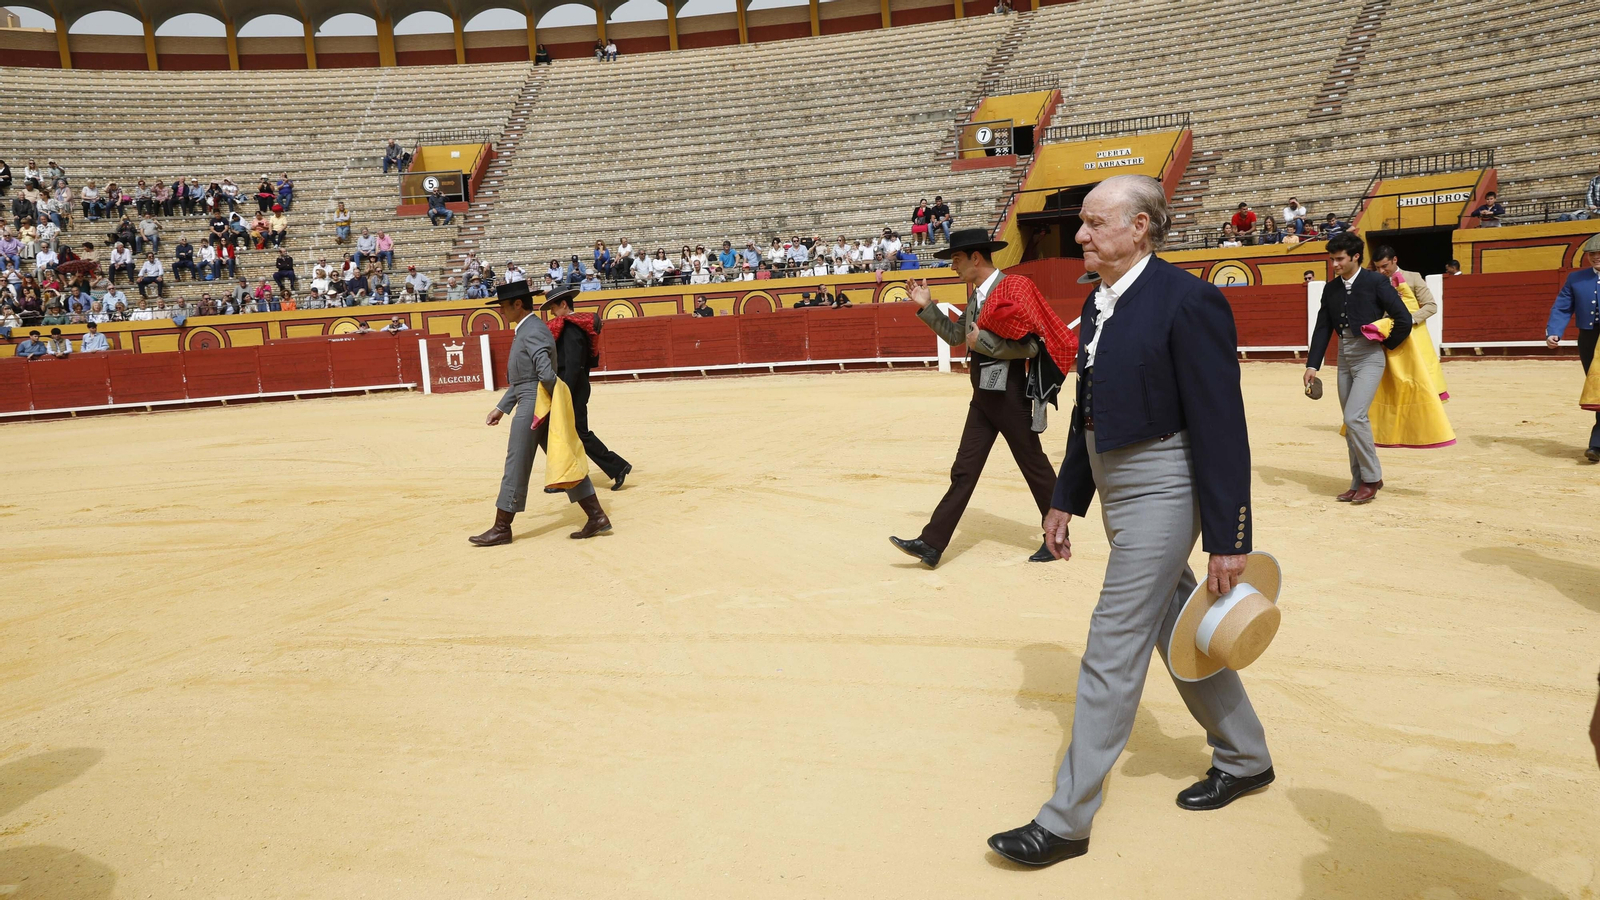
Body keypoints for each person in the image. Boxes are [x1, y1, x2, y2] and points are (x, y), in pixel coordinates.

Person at [988, 173, 1271, 869]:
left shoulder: (1189, 300)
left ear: (1139, 227)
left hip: (1165, 487)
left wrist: (1231, 538)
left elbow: (1220, 422)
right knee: (1179, 625)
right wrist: (1064, 498)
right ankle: (1245, 756)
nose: (1080, 235)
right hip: (1116, 485)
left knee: (1113, 640)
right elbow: (1089, 414)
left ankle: (1066, 821)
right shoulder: (1104, 301)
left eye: (1094, 223)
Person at [889, 227, 1076, 569]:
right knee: (964, 470)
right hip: (984, 395)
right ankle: (931, 544)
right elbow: (956, 335)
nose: (952, 267)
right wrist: (928, 307)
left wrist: (983, 344)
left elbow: (1032, 345)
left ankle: (1056, 537)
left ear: (976, 258)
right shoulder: (977, 296)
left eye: (956, 260)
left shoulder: (1015, 287)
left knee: (1033, 465)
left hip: (1009, 395)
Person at [469, 283, 614, 546]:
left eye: (503, 306)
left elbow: (545, 374)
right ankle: (596, 515)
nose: (501, 311)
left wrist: (551, 403)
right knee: (564, 457)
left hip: (534, 405)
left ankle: (502, 527)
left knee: (516, 461)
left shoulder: (532, 330)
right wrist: (502, 407)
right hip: (533, 399)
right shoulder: (529, 328)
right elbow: (525, 379)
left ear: (517, 304)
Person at [1303, 231, 1414, 504]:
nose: (1335, 265)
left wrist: (1385, 345)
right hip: (1344, 357)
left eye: (1339, 259)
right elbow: (1322, 328)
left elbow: (1403, 318)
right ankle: (1357, 481)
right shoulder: (1331, 289)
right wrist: (1312, 365)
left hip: (1369, 356)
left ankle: (1372, 477)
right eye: (1332, 259)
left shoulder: (1376, 281)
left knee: (1355, 417)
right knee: (1349, 423)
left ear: (1355, 257)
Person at [545, 288, 632, 490]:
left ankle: (616, 466)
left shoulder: (570, 328)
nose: (552, 312)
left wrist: (563, 391)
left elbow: (574, 364)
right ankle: (570, 475)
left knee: (577, 432)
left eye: (554, 307)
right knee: (568, 432)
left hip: (571, 386)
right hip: (576, 385)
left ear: (564, 305)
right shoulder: (578, 326)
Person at [1545, 233, 1600, 461]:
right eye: (1592, 254)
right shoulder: (1576, 279)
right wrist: (1554, 331)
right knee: (1597, 390)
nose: (1596, 257)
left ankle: (1597, 444)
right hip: (1589, 338)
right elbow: (1562, 307)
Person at [1371, 246, 1437, 324]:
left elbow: (1431, 306)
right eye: (1377, 267)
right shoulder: (1371, 280)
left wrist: (1408, 320)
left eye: (1384, 266)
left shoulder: (1413, 277)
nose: (1381, 271)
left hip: (1410, 330)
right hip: (1382, 331)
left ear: (1395, 259)